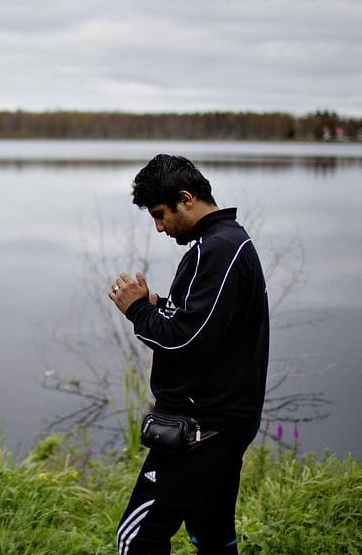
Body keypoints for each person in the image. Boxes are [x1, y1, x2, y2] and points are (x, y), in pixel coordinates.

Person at [109, 154, 269, 555]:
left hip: (202, 428)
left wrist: (137, 310)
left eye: (161, 215)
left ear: (186, 198)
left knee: (136, 539)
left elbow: (185, 341)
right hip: (225, 420)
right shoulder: (230, 242)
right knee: (211, 536)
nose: (160, 227)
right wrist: (159, 303)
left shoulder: (216, 250)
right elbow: (205, 325)